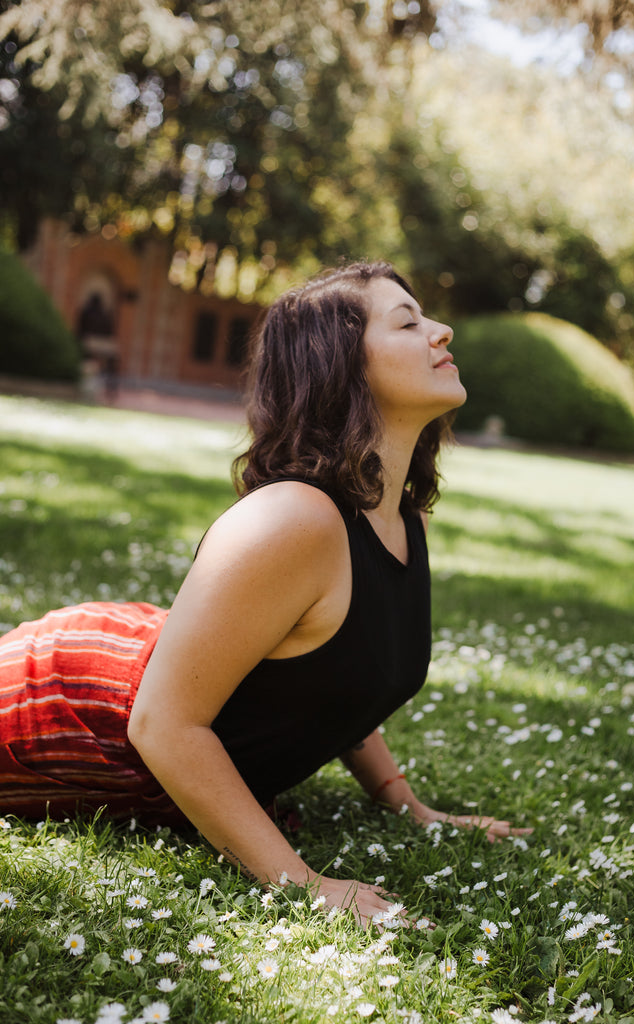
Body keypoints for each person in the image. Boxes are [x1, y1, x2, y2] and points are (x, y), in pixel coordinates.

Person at [0, 261, 529, 927]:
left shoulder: (401, 518)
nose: (441, 331)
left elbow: (340, 675)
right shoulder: (292, 520)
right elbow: (161, 722)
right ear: (341, 365)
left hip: (150, 680)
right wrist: (302, 882)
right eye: (408, 322)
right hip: (70, 706)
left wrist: (407, 805)